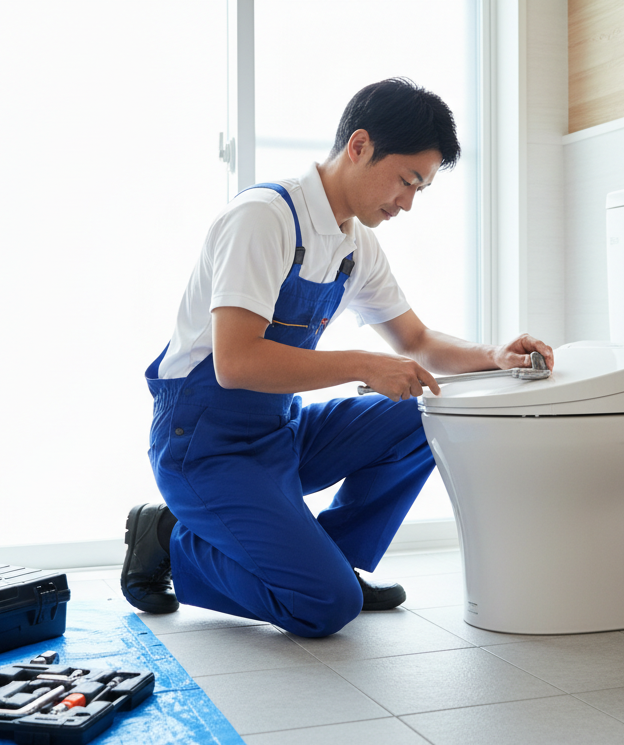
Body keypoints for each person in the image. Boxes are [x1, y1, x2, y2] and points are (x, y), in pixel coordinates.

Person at [121, 78, 553, 638]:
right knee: (324, 607)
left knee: (423, 415)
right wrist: (362, 364)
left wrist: (496, 355)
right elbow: (235, 363)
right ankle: (169, 539)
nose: (407, 203)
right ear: (359, 146)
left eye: (420, 189)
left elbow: (417, 341)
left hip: (277, 431)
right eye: (406, 181)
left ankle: (335, 560)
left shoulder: (357, 245)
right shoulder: (263, 218)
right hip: (204, 444)